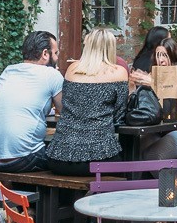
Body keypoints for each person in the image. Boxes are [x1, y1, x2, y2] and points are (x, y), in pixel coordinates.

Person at [41, 29, 129, 176]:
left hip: (59, 156)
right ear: (110, 48)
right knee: (126, 167)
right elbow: (119, 117)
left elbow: (66, 104)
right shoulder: (118, 72)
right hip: (100, 157)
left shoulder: (72, 69)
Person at [0, 32, 63, 173]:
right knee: (64, 161)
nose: (57, 58)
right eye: (56, 53)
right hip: (19, 159)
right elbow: (66, 112)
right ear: (45, 54)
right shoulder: (52, 74)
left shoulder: (9, 71)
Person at [134, 35, 177, 160]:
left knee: (152, 156)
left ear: (175, 55)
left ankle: (168, 180)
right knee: (135, 148)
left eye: (165, 55)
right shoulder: (156, 73)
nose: (161, 60)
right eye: (158, 55)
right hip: (160, 129)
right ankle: (146, 180)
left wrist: (153, 83)